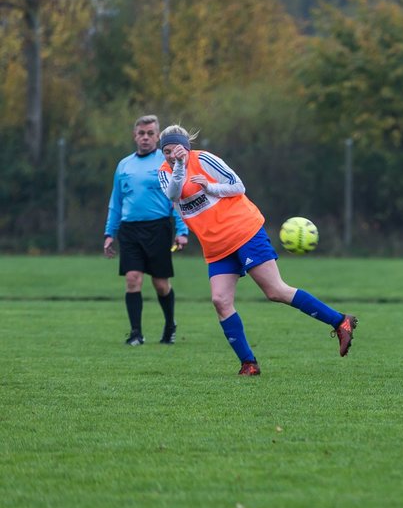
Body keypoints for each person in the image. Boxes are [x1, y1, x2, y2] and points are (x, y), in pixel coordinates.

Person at [156, 124, 357, 376]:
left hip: (244, 231)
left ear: (186, 147)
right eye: (166, 152)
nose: (172, 155)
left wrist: (209, 187)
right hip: (216, 247)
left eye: (177, 150)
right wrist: (179, 167)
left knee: (275, 290)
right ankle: (249, 364)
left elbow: (238, 186)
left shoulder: (205, 159)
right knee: (220, 301)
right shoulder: (165, 172)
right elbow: (173, 194)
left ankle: (340, 321)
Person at [104, 114, 190, 346]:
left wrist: (182, 231)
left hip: (158, 229)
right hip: (130, 231)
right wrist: (110, 233)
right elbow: (116, 201)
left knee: (161, 284)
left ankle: (170, 326)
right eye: (141, 133)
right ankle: (136, 334)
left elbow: (177, 200)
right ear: (135, 136)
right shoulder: (124, 165)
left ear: (158, 137)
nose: (145, 138)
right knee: (132, 279)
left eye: (150, 133)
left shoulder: (164, 163)